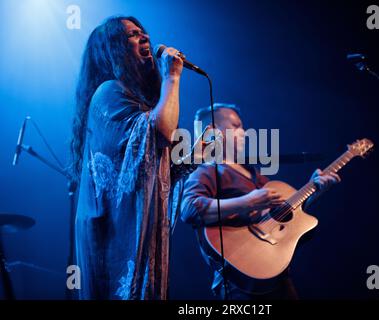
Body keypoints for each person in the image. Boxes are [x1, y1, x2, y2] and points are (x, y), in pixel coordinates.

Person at [70, 16, 183, 300]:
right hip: (111, 237)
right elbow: (160, 132)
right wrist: (172, 77)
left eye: (143, 32)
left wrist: (192, 159)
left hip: (125, 234)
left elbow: (144, 169)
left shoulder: (137, 101)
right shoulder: (108, 93)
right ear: (113, 50)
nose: (144, 37)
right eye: (132, 35)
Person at [180, 104, 341, 299]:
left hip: (276, 272)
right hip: (237, 283)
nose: (244, 132)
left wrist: (315, 190)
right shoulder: (207, 170)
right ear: (214, 131)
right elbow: (189, 209)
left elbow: (284, 215)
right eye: (236, 126)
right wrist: (246, 202)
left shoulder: (255, 175)